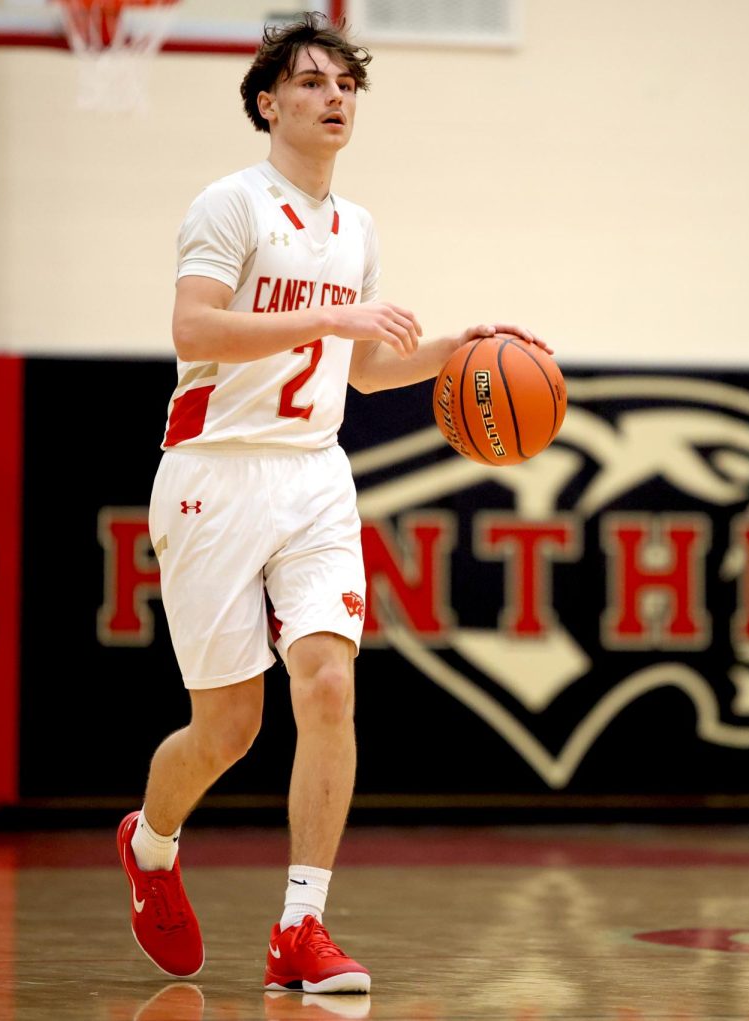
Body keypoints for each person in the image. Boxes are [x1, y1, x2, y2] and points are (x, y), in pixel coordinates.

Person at [116, 11, 547, 995]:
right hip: (213, 471)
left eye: (346, 83)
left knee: (329, 685)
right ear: (268, 103)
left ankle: (300, 928)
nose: (334, 97)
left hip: (313, 474)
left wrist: (465, 349)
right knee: (228, 729)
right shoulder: (229, 206)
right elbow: (194, 327)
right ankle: (150, 842)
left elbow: (364, 368)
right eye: (312, 83)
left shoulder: (357, 227)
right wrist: (333, 313)